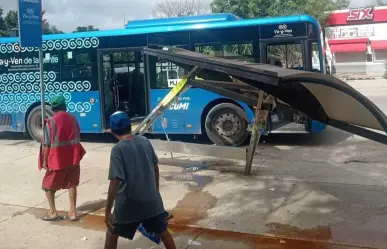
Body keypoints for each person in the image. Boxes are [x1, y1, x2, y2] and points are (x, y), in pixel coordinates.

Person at [104, 111, 176, 249]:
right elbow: (155, 167)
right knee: (162, 231)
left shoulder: (118, 150)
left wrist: (107, 211)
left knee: (112, 232)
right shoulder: (144, 141)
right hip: (152, 202)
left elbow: (115, 181)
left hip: (128, 206)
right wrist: (155, 191)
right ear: (130, 126)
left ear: (112, 131)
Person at [38, 95, 86, 221]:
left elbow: (47, 145)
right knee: (72, 184)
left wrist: (44, 161)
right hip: (73, 158)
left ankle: (53, 212)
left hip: (57, 159)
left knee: (48, 186)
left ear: (53, 108)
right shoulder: (73, 119)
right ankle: (73, 213)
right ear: (65, 106)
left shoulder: (51, 122)